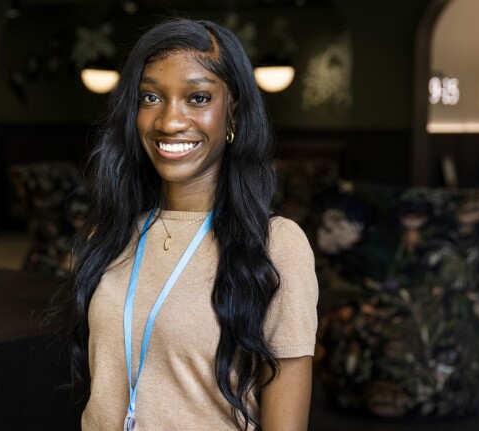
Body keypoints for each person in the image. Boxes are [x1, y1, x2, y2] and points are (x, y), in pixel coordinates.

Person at [53, 18, 318, 430]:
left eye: (197, 98)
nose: (170, 121)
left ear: (233, 113)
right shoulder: (111, 234)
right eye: (150, 98)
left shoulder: (277, 245)